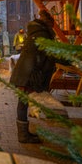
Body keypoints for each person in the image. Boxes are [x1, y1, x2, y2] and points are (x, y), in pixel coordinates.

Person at [9, 10, 57, 143]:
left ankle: (24, 134)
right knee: (23, 103)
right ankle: (23, 136)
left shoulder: (34, 33)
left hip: (25, 73)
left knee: (22, 103)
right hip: (29, 74)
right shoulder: (42, 35)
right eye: (52, 25)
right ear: (48, 24)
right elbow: (50, 54)